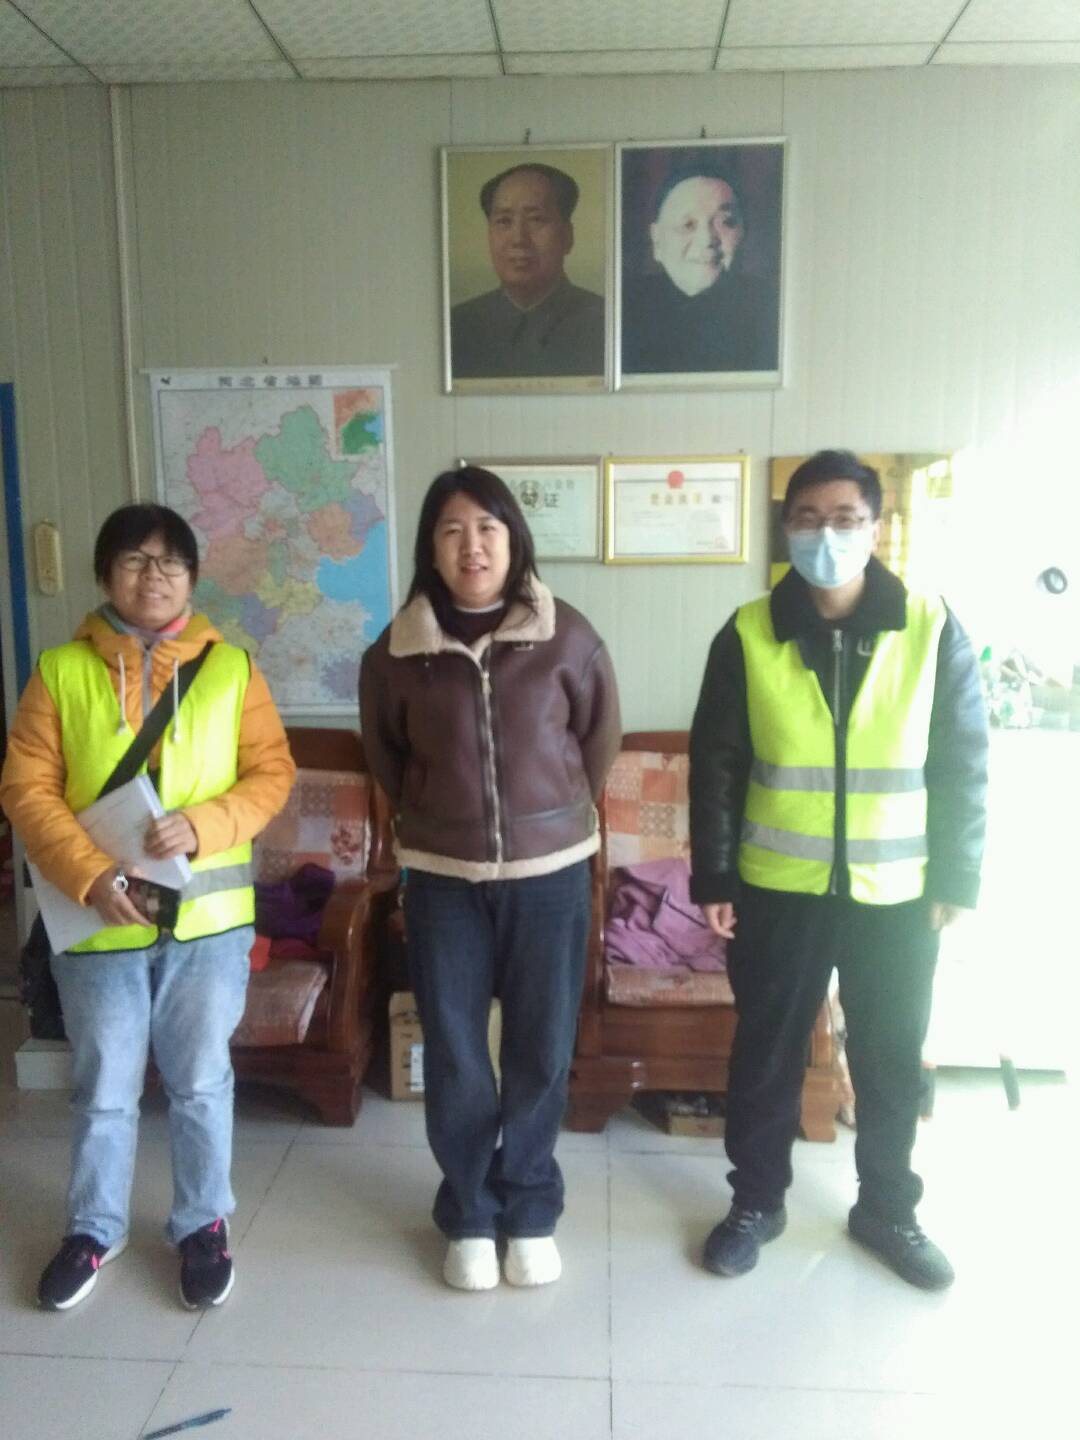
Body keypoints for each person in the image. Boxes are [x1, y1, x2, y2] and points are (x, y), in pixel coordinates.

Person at [688, 450, 987, 1290]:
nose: (827, 536)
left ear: (877, 527)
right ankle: (756, 1202)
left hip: (899, 895)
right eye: (809, 519)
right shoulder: (749, 631)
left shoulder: (930, 627)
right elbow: (715, 764)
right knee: (766, 1055)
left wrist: (958, 878)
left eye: (846, 519)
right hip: (777, 890)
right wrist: (715, 878)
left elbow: (964, 763)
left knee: (891, 1058)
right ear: (786, 528)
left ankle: (887, 1210)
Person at [0, 503, 295, 1312]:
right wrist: (91, 873)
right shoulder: (59, 671)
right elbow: (25, 788)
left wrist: (204, 824)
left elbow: (271, 774)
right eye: (133, 560)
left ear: (192, 579)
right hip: (99, 919)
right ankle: (93, 1228)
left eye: (170, 562)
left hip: (208, 923)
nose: (152, 575)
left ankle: (203, 1225)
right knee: (104, 1086)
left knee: (200, 1080)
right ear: (105, 576)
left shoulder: (233, 670)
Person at [360, 466, 620, 1290]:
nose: (470, 546)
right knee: (457, 1052)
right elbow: (387, 758)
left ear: (514, 539)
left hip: (550, 876)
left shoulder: (568, 637)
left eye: (487, 528)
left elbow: (598, 740)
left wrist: (552, 818)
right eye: (451, 530)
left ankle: (531, 1208)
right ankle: (471, 1212)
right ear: (430, 548)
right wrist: (439, 820)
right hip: (443, 881)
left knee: (542, 1048)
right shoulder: (395, 653)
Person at [450, 163, 605, 381]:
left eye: (536, 219)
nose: (518, 239)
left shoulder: (605, 322)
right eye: (504, 221)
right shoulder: (457, 326)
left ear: (567, 236)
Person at [621, 164, 779, 376]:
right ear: (657, 239)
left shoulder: (771, 307)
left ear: (743, 232)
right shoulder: (624, 308)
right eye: (688, 225)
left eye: (726, 222)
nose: (707, 240)